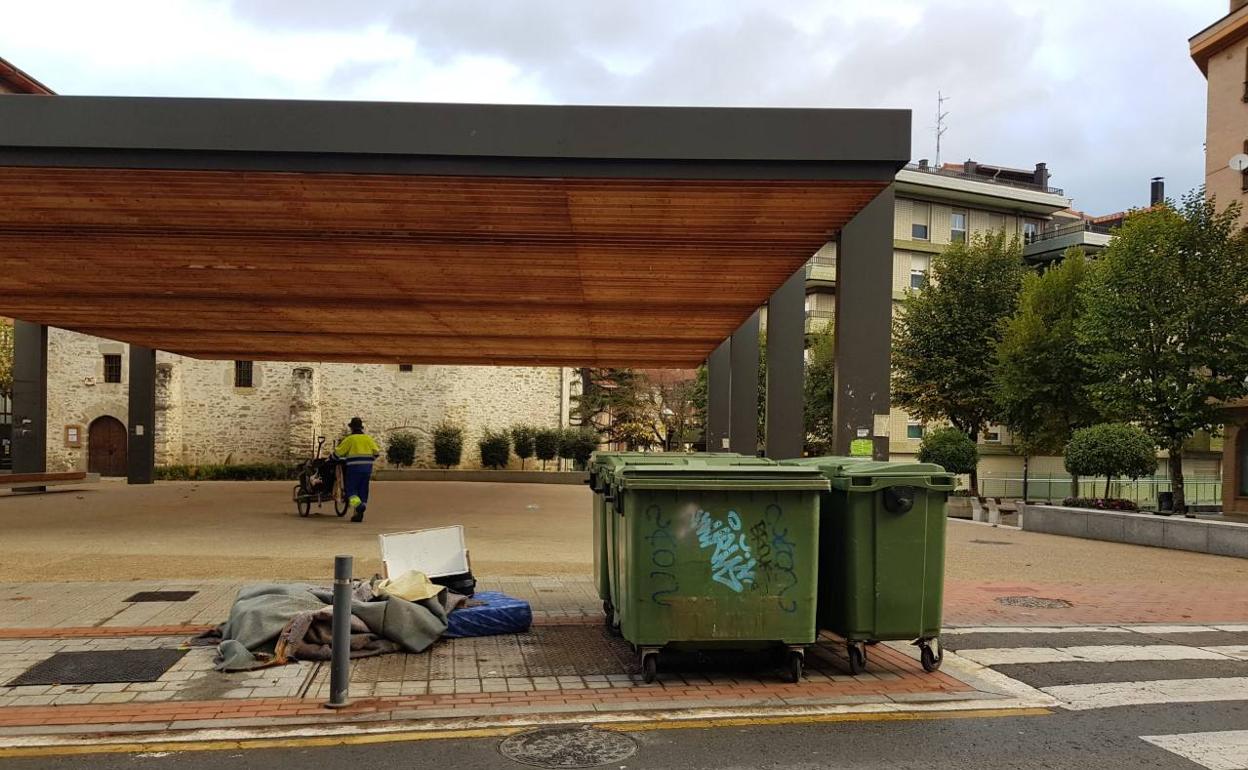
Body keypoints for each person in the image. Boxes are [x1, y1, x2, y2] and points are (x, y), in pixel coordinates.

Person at [332, 417, 380, 523]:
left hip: (354, 468)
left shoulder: (350, 439)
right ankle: (359, 513)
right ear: (361, 427)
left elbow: (338, 453)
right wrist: (369, 460)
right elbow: (376, 453)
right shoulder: (368, 439)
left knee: (351, 491)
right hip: (367, 469)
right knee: (363, 490)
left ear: (351, 428)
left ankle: (358, 506)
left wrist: (331, 458)